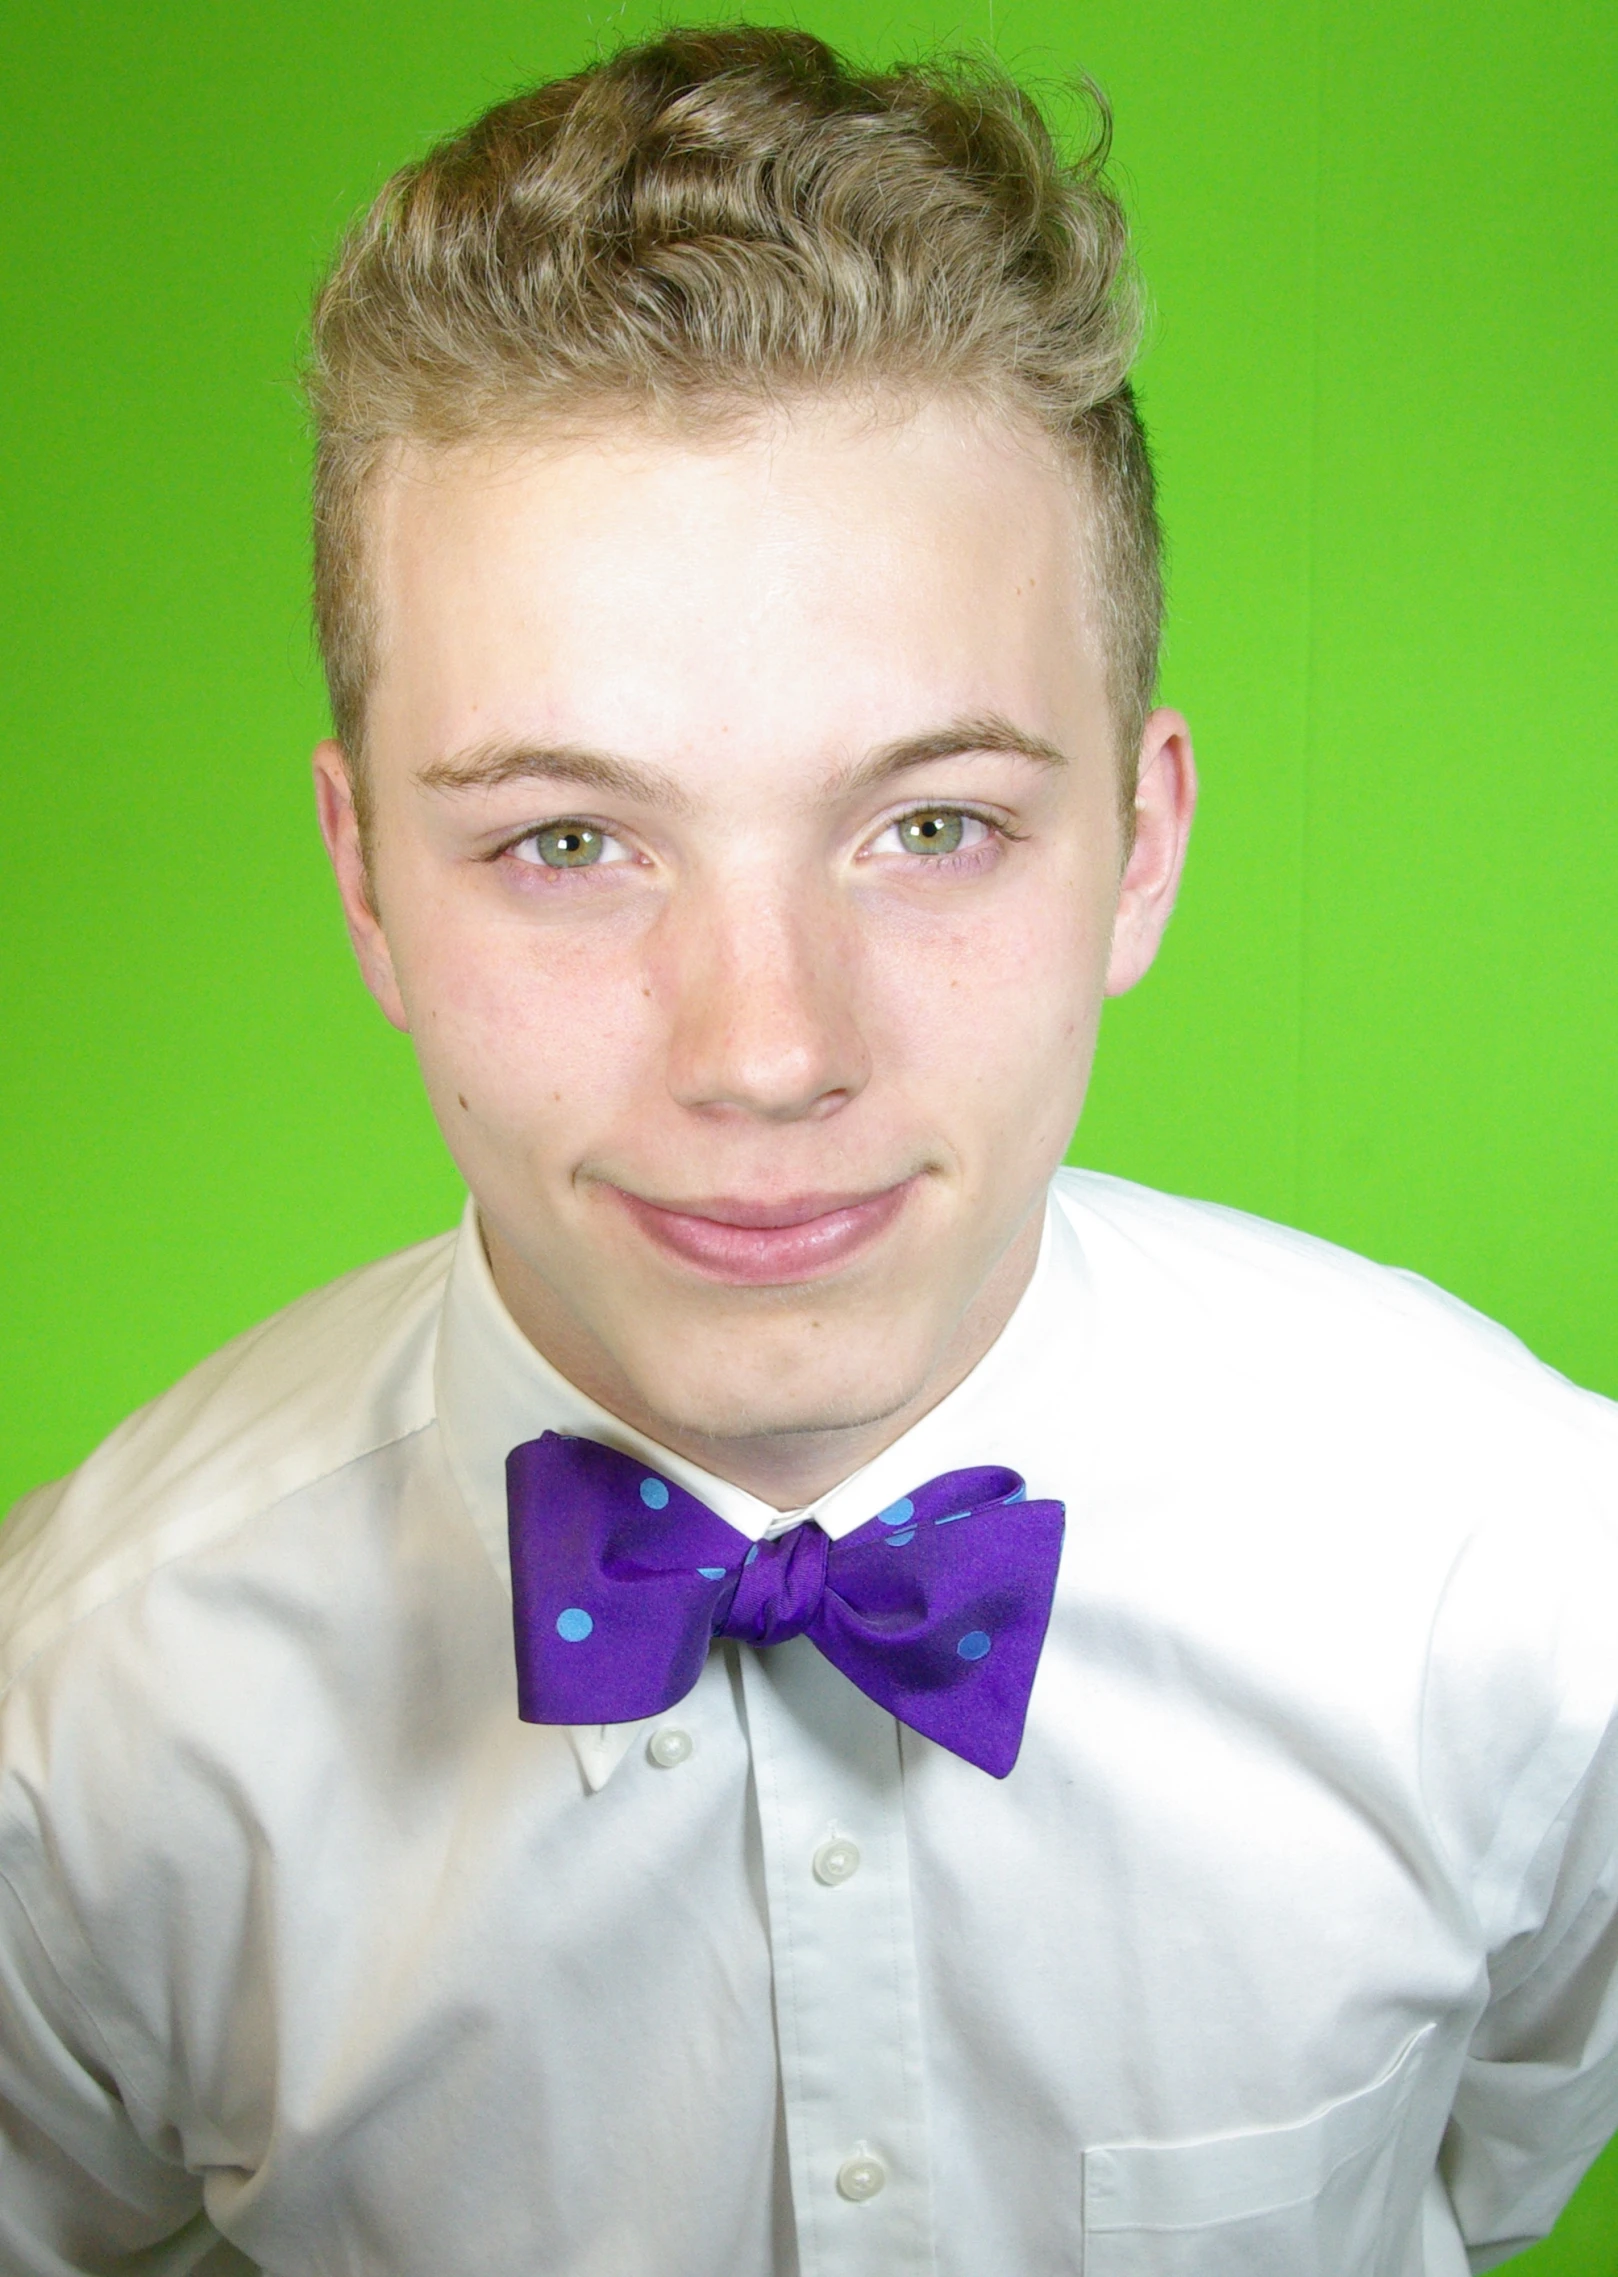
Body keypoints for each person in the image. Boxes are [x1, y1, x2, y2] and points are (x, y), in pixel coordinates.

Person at [1, 23, 1614, 2275]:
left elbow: (1490, 2174)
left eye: (931, 824)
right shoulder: (68, 1723)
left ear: (1137, 844)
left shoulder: (1531, 1582)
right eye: (566, 839)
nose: (764, 1051)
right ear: (366, 879)